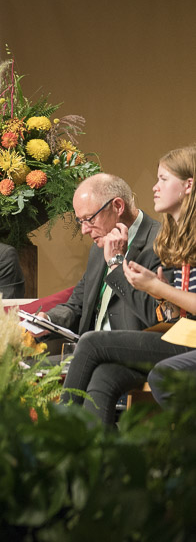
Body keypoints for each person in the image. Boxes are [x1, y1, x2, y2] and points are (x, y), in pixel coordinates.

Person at [62, 148, 196, 422]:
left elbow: (156, 314)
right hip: (178, 334)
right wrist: (163, 300)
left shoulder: (156, 238)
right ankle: (99, 460)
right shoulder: (175, 235)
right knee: (104, 375)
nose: (154, 187)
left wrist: (153, 287)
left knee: (90, 343)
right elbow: (171, 314)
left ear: (188, 185)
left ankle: (58, 433)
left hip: (184, 340)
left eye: (163, 179)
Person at [39, 173, 161, 337]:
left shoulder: (160, 243)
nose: (84, 230)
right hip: (88, 351)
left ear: (118, 206)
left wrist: (117, 263)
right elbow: (78, 305)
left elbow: (155, 316)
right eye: (80, 221)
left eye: (89, 219)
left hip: (130, 353)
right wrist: (46, 319)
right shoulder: (99, 247)